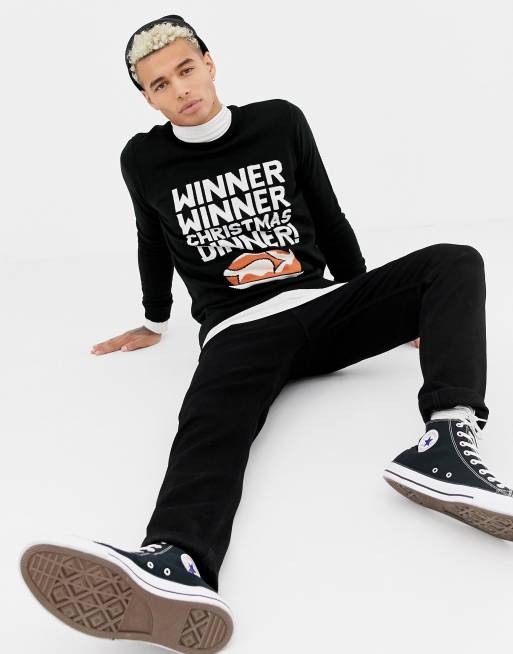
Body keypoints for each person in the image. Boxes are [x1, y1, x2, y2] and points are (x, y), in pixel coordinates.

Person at [19, 13, 513, 654]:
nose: (180, 89)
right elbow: (151, 241)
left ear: (209, 63)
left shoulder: (279, 121)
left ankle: (444, 444)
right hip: (237, 331)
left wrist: (387, 307)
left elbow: (328, 215)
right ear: (147, 98)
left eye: (186, 69)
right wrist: (153, 321)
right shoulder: (143, 159)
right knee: (210, 429)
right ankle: (177, 562)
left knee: (454, 261)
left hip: (321, 306)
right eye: (161, 84)